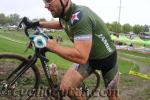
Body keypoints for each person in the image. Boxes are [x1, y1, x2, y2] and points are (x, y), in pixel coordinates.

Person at [27, 0, 120, 99]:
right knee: (66, 88)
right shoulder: (65, 15)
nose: (46, 6)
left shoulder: (81, 16)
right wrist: (38, 24)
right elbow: (60, 24)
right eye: (44, 2)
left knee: (113, 97)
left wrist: (51, 44)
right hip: (89, 59)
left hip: (106, 60)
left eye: (49, 1)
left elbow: (81, 57)